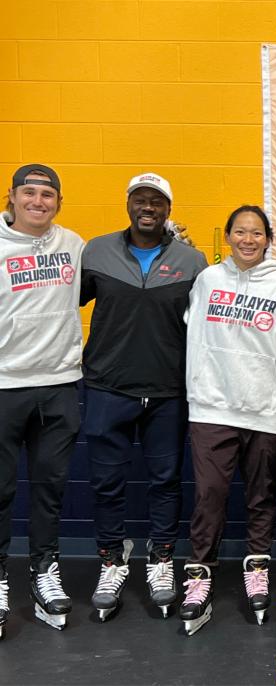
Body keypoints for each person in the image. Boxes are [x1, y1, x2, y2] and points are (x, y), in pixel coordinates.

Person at [179, 205, 276, 634]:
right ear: (228, 237)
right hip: (212, 407)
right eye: (240, 232)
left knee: (262, 497)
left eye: (257, 233)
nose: (248, 240)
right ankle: (200, 574)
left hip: (268, 410)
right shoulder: (207, 280)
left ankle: (257, 569)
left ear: (269, 239)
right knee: (209, 495)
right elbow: (191, 327)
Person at [80, 172, 207, 623]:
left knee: (165, 481)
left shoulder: (193, 260)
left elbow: (207, 324)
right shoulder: (96, 251)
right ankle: (112, 560)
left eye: (157, 201)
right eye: (140, 199)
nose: (148, 207)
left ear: (168, 210)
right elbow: (62, 305)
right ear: (128, 204)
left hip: (168, 390)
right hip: (106, 386)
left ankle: (161, 558)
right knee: (106, 483)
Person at [0, 164, 85, 635]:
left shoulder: (73, 244)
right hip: (4, 385)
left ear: (58, 202)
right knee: (0, 490)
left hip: (59, 384)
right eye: (29, 192)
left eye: (47, 194)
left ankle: (44, 571)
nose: (38, 201)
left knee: (50, 489)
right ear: (12, 197)